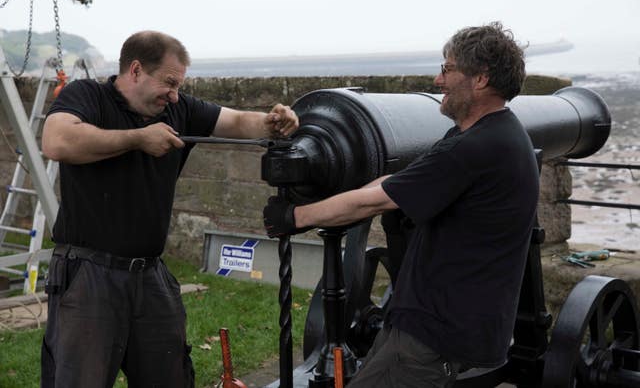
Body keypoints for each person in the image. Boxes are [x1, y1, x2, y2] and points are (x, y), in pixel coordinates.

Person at [263, 22, 539, 388]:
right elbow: (393, 185)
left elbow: (377, 201)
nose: (439, 80)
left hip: (436, 333)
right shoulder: (485, 135)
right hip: (434, 320)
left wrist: (295, 216)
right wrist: (336, 196)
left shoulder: (474, 148)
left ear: (481, 79)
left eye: (448, 68)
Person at [40, 30, 299, 388]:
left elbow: (237, 121)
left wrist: (272, 121)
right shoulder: (87, 96)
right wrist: (137, 139)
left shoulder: (179, 108)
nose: (174, 94)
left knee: (171, 376)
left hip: (150, 275)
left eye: (179, 86)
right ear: (135, 70)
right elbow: (56, 141)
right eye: (169, 82)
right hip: (88, 275)